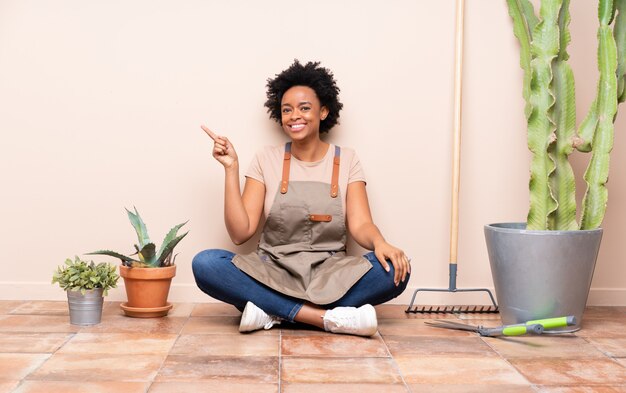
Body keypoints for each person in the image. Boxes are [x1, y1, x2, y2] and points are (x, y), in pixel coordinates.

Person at [193, 60, 410, 337]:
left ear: (324, 111)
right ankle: (324, 319)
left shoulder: (347, 160)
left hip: (331, 273)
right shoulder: (265, 158)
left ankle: (272, 311)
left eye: (304, 108)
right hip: (273, 270)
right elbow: (240, 233)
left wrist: (381, 243)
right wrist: (231, 168)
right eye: (287, 110)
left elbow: (360, 225)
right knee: (206, 264)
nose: (294, 115)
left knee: (396, 269)